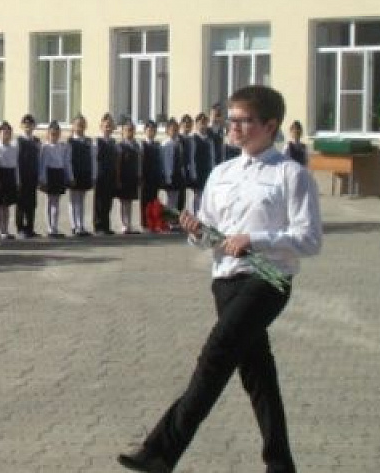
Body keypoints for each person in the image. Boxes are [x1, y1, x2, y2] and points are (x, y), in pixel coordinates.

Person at [117, 85, 322, 473]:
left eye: (243, 120)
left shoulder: (291, 174)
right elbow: (212, 238)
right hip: (226, 280)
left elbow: (309, 239)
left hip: (268, 276)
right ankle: (280, 463)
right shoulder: (222, 173)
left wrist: (256, 239)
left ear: (269, 125)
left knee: (215, 357)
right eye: (232, 119)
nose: (234, 127)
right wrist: (196, 230)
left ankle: (161, 452)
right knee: (257, 373)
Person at [40, 121, 70, 238]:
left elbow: (66, 162)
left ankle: (55, 227)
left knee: (57, 202)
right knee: (49, 201)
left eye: (57, 134)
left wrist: (68, 176)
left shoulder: (62, 147)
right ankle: (49, 228)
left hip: (59, 174)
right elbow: (43, 164)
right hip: (50, 174)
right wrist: (43, 178)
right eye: (52, 134)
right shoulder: (46, 147)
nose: (54, 136)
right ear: (48, 134)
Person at [67, 114, 94, 236]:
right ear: (73, 126)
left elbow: (92, 158)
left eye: (82, 125)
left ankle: (81, 225)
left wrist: (92, 174)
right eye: (78, 125)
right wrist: (70, 176)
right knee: (73, 201)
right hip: (74, 173)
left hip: (84, 173)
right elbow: (67, 160)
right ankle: (74, 226)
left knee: (81, 201)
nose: (80, 127)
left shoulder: (88, 141)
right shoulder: (70, 141)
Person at [15, 114, 41, 238]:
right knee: (21, 203)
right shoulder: (18, 141)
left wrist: (40, 176)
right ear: (21, 126)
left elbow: (39, 159)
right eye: (25, 124)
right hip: (22, 175)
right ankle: (20, 228)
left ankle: (30, 228)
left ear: (34, 126)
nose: (28, 127)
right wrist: (18, 178)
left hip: (33, 175)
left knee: (31, 203)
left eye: (30, 125)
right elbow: (16, 160)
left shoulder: (36, 141)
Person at [114, 119, 141, 234]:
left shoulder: (136, 145)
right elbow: (118, 163)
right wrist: (118, 178)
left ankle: (129, 223)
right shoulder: (120, 146)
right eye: (127, 130)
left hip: (133, 176)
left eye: (131, 130)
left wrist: (139, 174)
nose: (129, 132)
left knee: (130, 201)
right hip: (124, 176)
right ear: (123, 132)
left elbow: (139, 161)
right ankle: (124, 224)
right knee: (123, 201)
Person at [93, 113, 118, 234]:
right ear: (101, 127)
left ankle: (106, 225)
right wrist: (94, 174)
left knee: (108, 201)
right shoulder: (97, 142)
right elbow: (94, 159)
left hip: (111, 174)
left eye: (110, 125)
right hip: (100, 174)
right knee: (99, 202)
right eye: (106, 126)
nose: (108, 128)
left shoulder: (114, 143)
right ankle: (98, 226)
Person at [140, 119, 166, 233]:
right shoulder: (141, 144)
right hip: (145, 176)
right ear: (145, 131)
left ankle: (154, 223)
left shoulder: (157, 145)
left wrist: (161, 174)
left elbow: (161, 161)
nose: (151, 132)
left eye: (153, 130)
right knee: (145, 202)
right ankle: (145, 224)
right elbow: (139, 161)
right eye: (149, 129)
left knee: (154, 201)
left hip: (154, 176)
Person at [0, 120, 19, 241]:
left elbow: (16, 165)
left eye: (8, 132)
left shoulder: (13, 148)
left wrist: (17, 180)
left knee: (7, 205)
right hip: (0, 175)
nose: (6, 135)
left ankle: (6, 229)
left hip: (10, 175)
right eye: (4, 132)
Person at [160, 118, 187, 218]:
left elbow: (181, 159)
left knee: (175, 199)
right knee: (169, 200)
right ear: (167, 130)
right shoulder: (166, 144)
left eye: (176, 129)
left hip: (178, 174)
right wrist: (168, 176)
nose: (175, 132)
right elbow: (166, 161)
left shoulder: (178, 143)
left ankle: (173, 220)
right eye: (173, 129)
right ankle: (168, 220)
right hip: (169, 175)